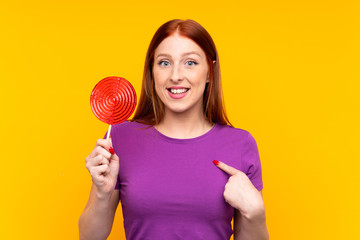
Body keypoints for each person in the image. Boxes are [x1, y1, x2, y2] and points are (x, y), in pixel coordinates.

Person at [79, 19, 269, 240]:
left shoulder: (240, 145)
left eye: (190, 62)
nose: (175, 75)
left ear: (210, 72)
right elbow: (89, 237)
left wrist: (256, 214)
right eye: (164, 63)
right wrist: (102, 194)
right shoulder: (120, 138)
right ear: (152, 72)